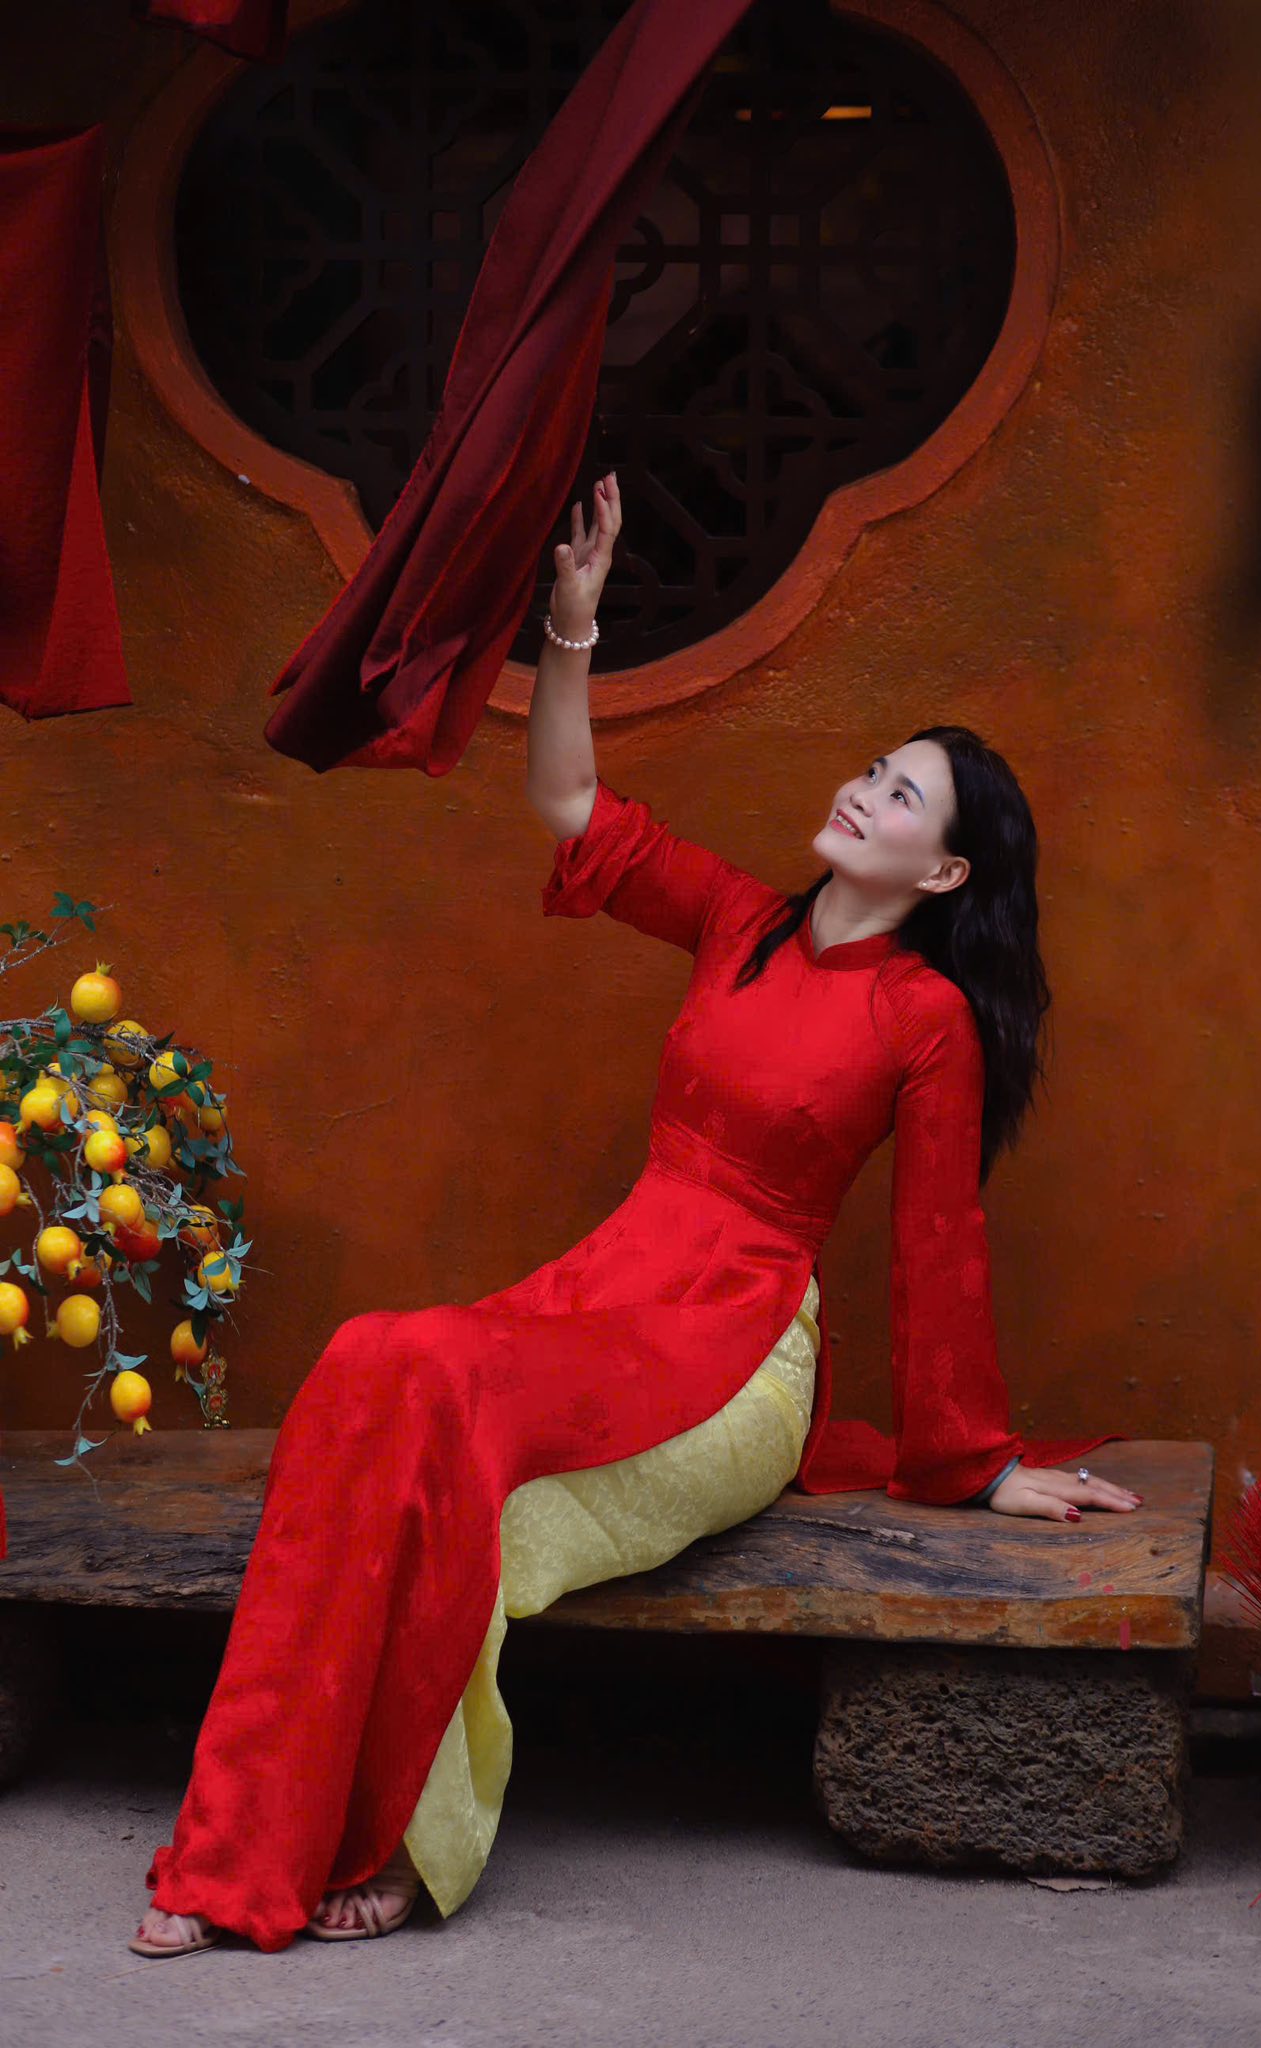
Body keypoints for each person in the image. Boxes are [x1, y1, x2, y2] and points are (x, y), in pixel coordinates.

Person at [130, 471, 1137, 1958]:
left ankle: (391, 1843)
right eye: (872, 767)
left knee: (436, 1388)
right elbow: (570, 804)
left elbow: (939, 1247)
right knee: (369, 1365)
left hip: (735, 1354)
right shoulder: (741, 924)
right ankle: (243, 1847)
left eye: (900, 794)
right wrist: (574, 626)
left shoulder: (926, 1020)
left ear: (942, 871)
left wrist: (974, 1463)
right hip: (605, 1295)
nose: (862, 789)